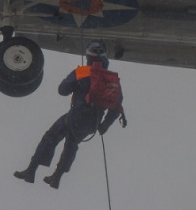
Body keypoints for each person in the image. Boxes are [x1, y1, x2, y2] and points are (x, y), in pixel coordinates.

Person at [14, 40, 126, 189]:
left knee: (51, 137)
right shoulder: (112, 80)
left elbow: (62, 90)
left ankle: (31, 170)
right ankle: (57, 177)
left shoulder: (82, 72)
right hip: (92, 124)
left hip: (76, 116)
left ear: (88, 56)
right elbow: (117, 106)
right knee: (72, 144)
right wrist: (104, 126)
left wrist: (76, 83)